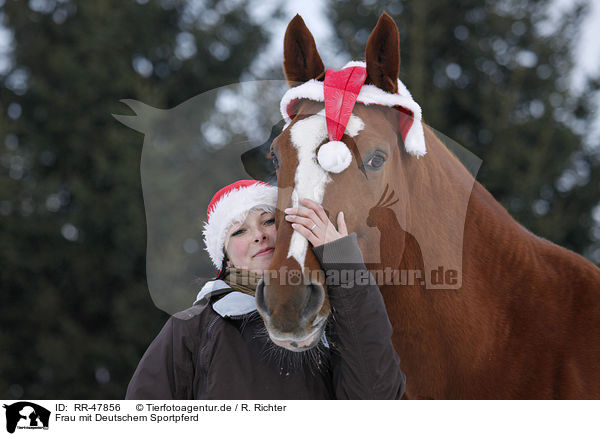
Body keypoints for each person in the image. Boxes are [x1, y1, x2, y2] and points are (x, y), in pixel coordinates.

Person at [126, 179, 406, 399]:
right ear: (225, 258)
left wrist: (344, 264)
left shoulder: (327, 314)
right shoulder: (193, 327)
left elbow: (375, 398)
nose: (258, 235)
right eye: (239, 231)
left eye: (268, 221)